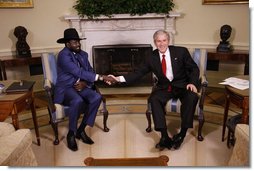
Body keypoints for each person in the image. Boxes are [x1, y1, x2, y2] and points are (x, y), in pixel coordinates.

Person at [107, 30, 200, 150]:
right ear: (155, 42)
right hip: (165, 87)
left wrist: (192, 82)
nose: (161, 44)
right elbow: (138, 73)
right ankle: (164, 136)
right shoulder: (151, 57)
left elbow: (194, 68)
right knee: (154, 99)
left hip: (183, 85)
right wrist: (117, 79)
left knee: (192, 97)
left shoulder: (181, 51)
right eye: (158, 41)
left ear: (168, 41)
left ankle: (182, 134)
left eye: (164, 40)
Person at [55, 28, 115, 151]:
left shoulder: (83, 54)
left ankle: (81, 130)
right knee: (77, 100)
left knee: (96, 97)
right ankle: (71, 133)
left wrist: (85, 83)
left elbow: (89, 72)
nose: (77, 44)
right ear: (67, 44)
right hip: (66, 88)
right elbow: (77, 71)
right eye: (74, 42)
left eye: (78, 41)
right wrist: (102, 77)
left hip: (80, 86)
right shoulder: (63, 56)